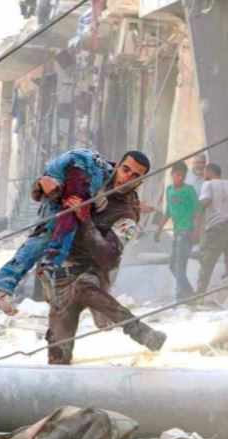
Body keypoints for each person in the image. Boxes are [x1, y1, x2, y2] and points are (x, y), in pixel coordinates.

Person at [43, 151, 166, 365]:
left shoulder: (127, 216)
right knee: (58, 357)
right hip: (61, 277)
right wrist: (45, 184)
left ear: (140, 182)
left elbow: (107, 258)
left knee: (84, 286)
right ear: (117, 167)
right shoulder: (92, 178)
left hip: (91, 272)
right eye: (126, 170)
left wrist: (86, 220)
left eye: (135, 176)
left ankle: (139, 330)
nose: (127, 177)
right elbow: (50, 186)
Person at [0, 148, 114, 315]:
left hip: (69, 195)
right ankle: (37, 274)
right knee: (56, 231)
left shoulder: (104, 175)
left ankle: (7, 283)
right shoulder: (88, 168)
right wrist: (51, 262)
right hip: (69, 191)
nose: (128, 177)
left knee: (44, 238)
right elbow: (71, 201)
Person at [154, 162, 201, 301]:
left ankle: (179, 297)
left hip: (187, 231)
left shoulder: (189, 190)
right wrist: (159, 229)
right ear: (172, 175)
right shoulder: (169, 190)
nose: (180, 178)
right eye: (178, 175)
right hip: (176, 231)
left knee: (180, 265)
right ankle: (190, 294)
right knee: (173, 265)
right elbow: (168, 211)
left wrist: (196, 232)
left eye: (183, 176)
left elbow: (197, 212)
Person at [195, 163, 228, 297]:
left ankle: (199, 295)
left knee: (207, 263)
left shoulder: (208, 184)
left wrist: (196, 223)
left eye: (205, 173)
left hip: (217, 227)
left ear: (209, 172)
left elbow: (205, 202)